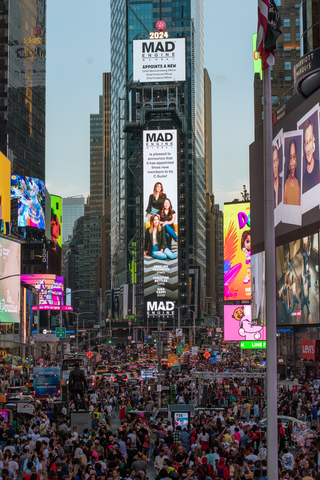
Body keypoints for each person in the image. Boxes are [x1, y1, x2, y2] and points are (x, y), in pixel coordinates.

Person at [303, 118, 320, 193]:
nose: (308, 148)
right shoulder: (303, 180)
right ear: (304, 146)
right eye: (306, 143)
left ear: (313, 139)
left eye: (310, 141)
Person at [284, 138, 300, 205]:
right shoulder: (285, 186)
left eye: (294, 157)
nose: (292, 162)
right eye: (290, 158)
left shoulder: (298, 185)